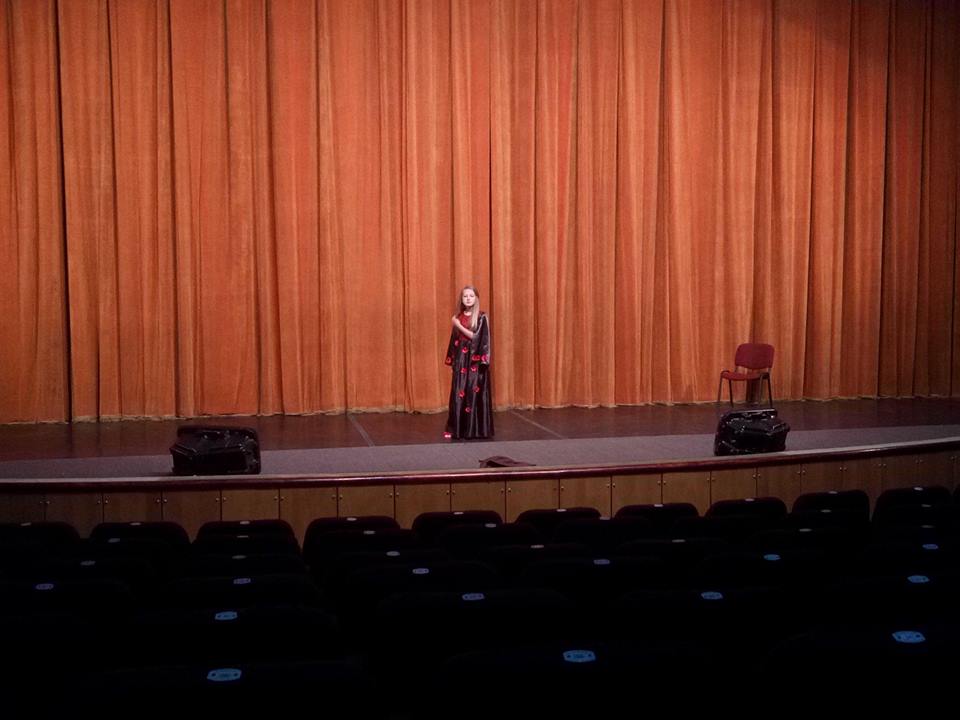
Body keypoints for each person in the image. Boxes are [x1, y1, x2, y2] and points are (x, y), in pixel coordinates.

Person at [443, 285, 493, 439]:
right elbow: (455, 340)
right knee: (458, 393)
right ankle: (456, 428)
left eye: (471, 296)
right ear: (462, 299)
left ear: (476, 298)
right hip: (461, 360)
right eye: (465, 296)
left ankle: (474, 429)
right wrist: (453, 359)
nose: (468, 299)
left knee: (473, 392)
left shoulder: (481, 317)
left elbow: (476, 337)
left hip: (474, 361)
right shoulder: (458, 317)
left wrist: (458, 325)